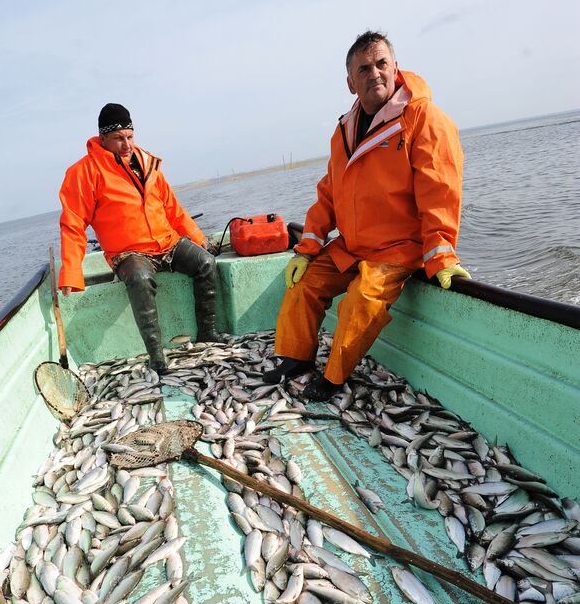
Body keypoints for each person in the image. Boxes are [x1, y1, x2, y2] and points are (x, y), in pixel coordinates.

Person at [265, 31, 469, 401]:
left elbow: (440, 191)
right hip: (352, 245)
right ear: (350, 82)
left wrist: (440, 253)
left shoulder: (424, 118)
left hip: (396, 249)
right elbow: (330, 190)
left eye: (381, 63)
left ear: (395, 67)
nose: (374, 73)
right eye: (364, 68)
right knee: (302, 284)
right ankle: (296, 358)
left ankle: (333, 378)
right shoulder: (344, 128)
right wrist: (308, 245)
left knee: (360, 301)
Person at [58, 103, 220, 372]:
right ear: (102, 139)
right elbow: (73, 224)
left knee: (205, 262)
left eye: (130, 137)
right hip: (129, 252)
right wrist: (72, 272)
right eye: (118, 139)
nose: (126, 144)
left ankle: (208, 333)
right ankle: (157, 357)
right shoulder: (83, 172)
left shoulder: (148, 162)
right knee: (140, 279)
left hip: (166, 242)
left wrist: (196, 236)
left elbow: (172, 207)